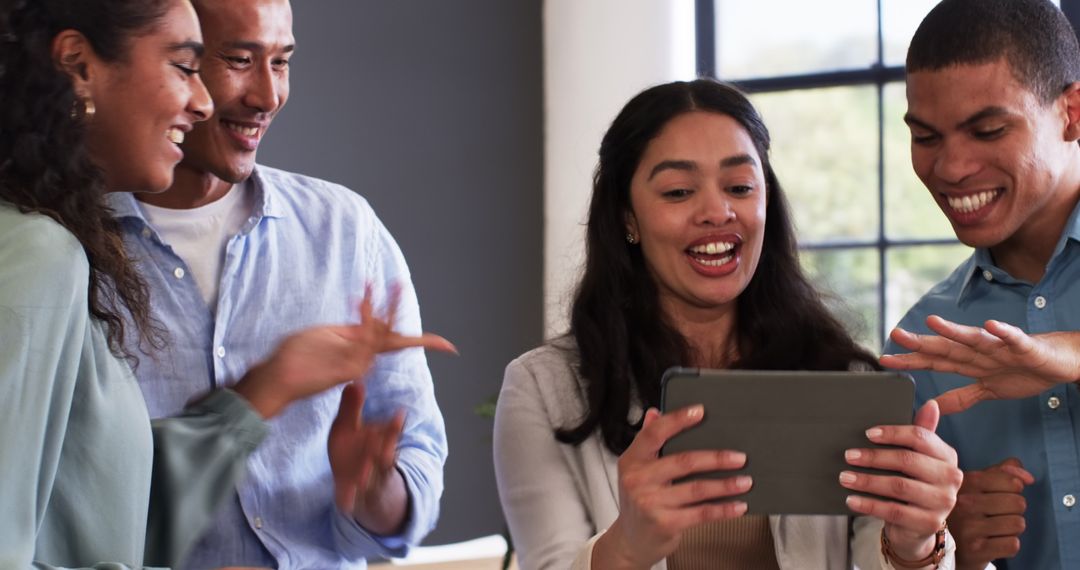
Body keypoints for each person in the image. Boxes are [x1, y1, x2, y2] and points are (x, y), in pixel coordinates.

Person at [0, 0, 452, 567]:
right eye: (197, 64)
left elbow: (107, 502)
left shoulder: (345, 228)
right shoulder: (42, 252)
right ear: (78, 64)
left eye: (282, 62)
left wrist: (269, 392)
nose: (260, 96)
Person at [494, 79, 964, 570]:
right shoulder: (542, 390)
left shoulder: (841, 378)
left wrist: (914, 543)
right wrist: (626, 546)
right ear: (626, 217)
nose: (717, 212)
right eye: (678, 191)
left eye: (740, 187)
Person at [878, 0, 1080, 568]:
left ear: (1072, 113)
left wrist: (1066, 352)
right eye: (926, 137)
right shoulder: (920, 343)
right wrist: (942, 542)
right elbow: (894, 551)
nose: (951, 168)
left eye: (987, 130)